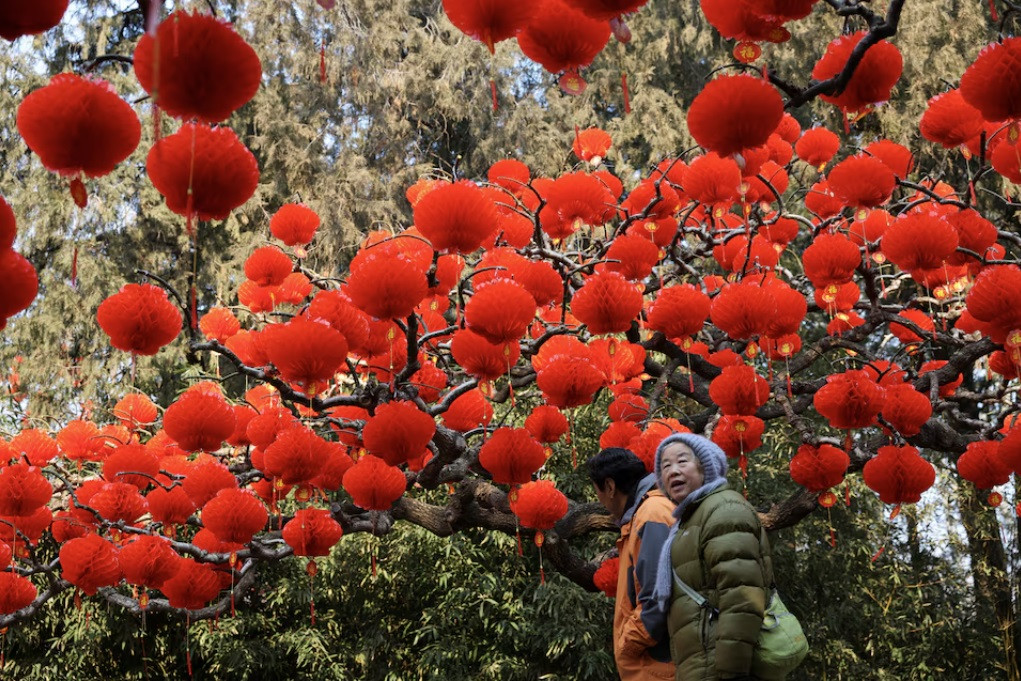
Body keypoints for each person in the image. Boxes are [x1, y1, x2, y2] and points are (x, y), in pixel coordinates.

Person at [646, 432, 773, 681]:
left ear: (706, 466)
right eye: (665, 466)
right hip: (703, 666)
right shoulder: (687, 521)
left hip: (721, 668)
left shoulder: (724, 509)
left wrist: (731, 672)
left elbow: (742, 594)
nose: (673, 471)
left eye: (682, 462)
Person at [587, 447, 677, 680]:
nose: (600, 500)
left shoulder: (651, 514)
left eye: (597, 491)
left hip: (661, 668)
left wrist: (626, 644)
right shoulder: (648, 511)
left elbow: (656, 600)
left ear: (610, 486)